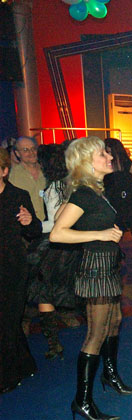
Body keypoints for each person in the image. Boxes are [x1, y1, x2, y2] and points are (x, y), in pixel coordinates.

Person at [51, 136, 132, 420]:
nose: (110, 157)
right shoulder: (84, 194)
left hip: (108, 265)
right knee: (96, 333)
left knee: (114, 322)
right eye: (103, 154)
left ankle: (110, 376)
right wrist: (99, 234)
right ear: (87, 162)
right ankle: (83, 400)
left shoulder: (95, 191)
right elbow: (57, 233)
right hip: (96, 267)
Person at [28, 143, 81, 359]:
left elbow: (55, 223)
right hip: (75, 244)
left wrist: (33, 225)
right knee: (73, 290)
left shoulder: (54, 189)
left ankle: (54, 344)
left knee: (44, 293)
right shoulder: (73, 185)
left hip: (56, 247)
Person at [0, 147, 40, 394]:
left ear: (4, 171)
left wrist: (29, 221)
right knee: (7, 321)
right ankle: (25, 364)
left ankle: (7, 376)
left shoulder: (18, 196)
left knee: (7, 319)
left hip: (12, 267)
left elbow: (34, 231)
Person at [103, 138, 132, 268]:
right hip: (114, 203)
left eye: (109, 151)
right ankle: (116, 260)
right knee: (115, 233)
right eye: (106, 151)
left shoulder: (125, 163)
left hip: (129, 202)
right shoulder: (106, 165)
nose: (108, 154)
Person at [9, 136, 45, 223]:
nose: (31, 153)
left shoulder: (47, 171)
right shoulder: (12, 176)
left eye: (33, 148)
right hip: (27, 226)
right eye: (25, 150)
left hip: (50, 224)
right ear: (17, 153)